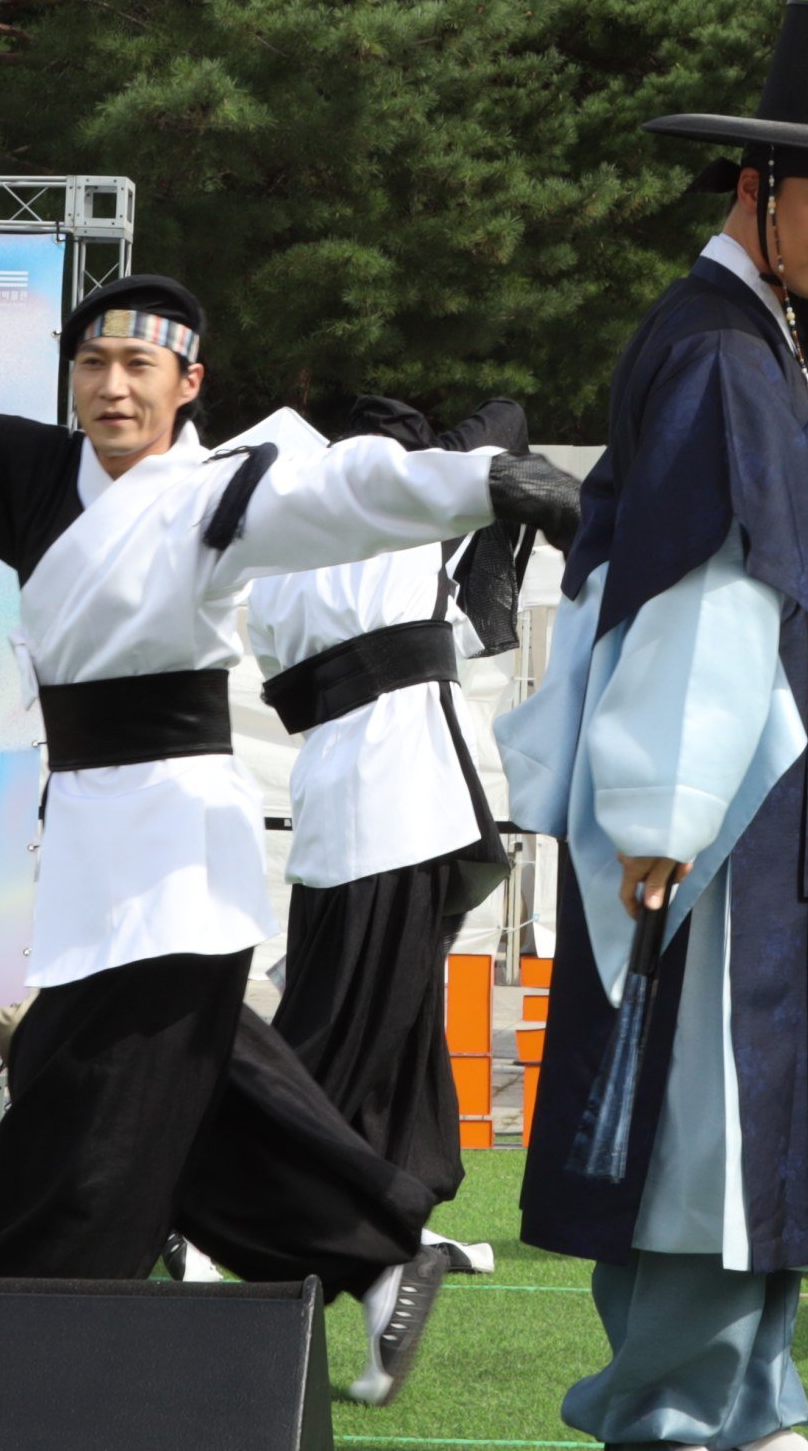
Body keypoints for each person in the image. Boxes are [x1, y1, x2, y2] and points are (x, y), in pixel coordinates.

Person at [0, 277, 580, 1406]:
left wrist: (485, 482)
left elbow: (353, 491)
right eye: (93, 364)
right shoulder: (31, 474)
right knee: (154, 1070)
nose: (114, 387)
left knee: (103, 1091)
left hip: (176, 836)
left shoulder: (226, 491)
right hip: (87, 827)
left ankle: (14, 1315)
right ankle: (366, 1253)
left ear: (190, 383)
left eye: (140, 367)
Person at [499, 0, 808, 1451]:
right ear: (755, 188)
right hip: (712, 798)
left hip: (762, 787)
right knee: (702, 1113)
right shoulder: (721, 350)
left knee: (753, 1108)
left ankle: (753, 1403)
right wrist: (663, 808)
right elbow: (699, 590)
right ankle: (676, 1412)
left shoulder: (755, 337)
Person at [245, 395, 537, 1258]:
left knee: (396, 1015)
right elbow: (505, 416)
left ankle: (390, 1208)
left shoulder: (284, 546)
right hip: (401, 796)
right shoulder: (402, 508)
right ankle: (215, 1195)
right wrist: (421, 465)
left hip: (350, 790)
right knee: (348, 1020)